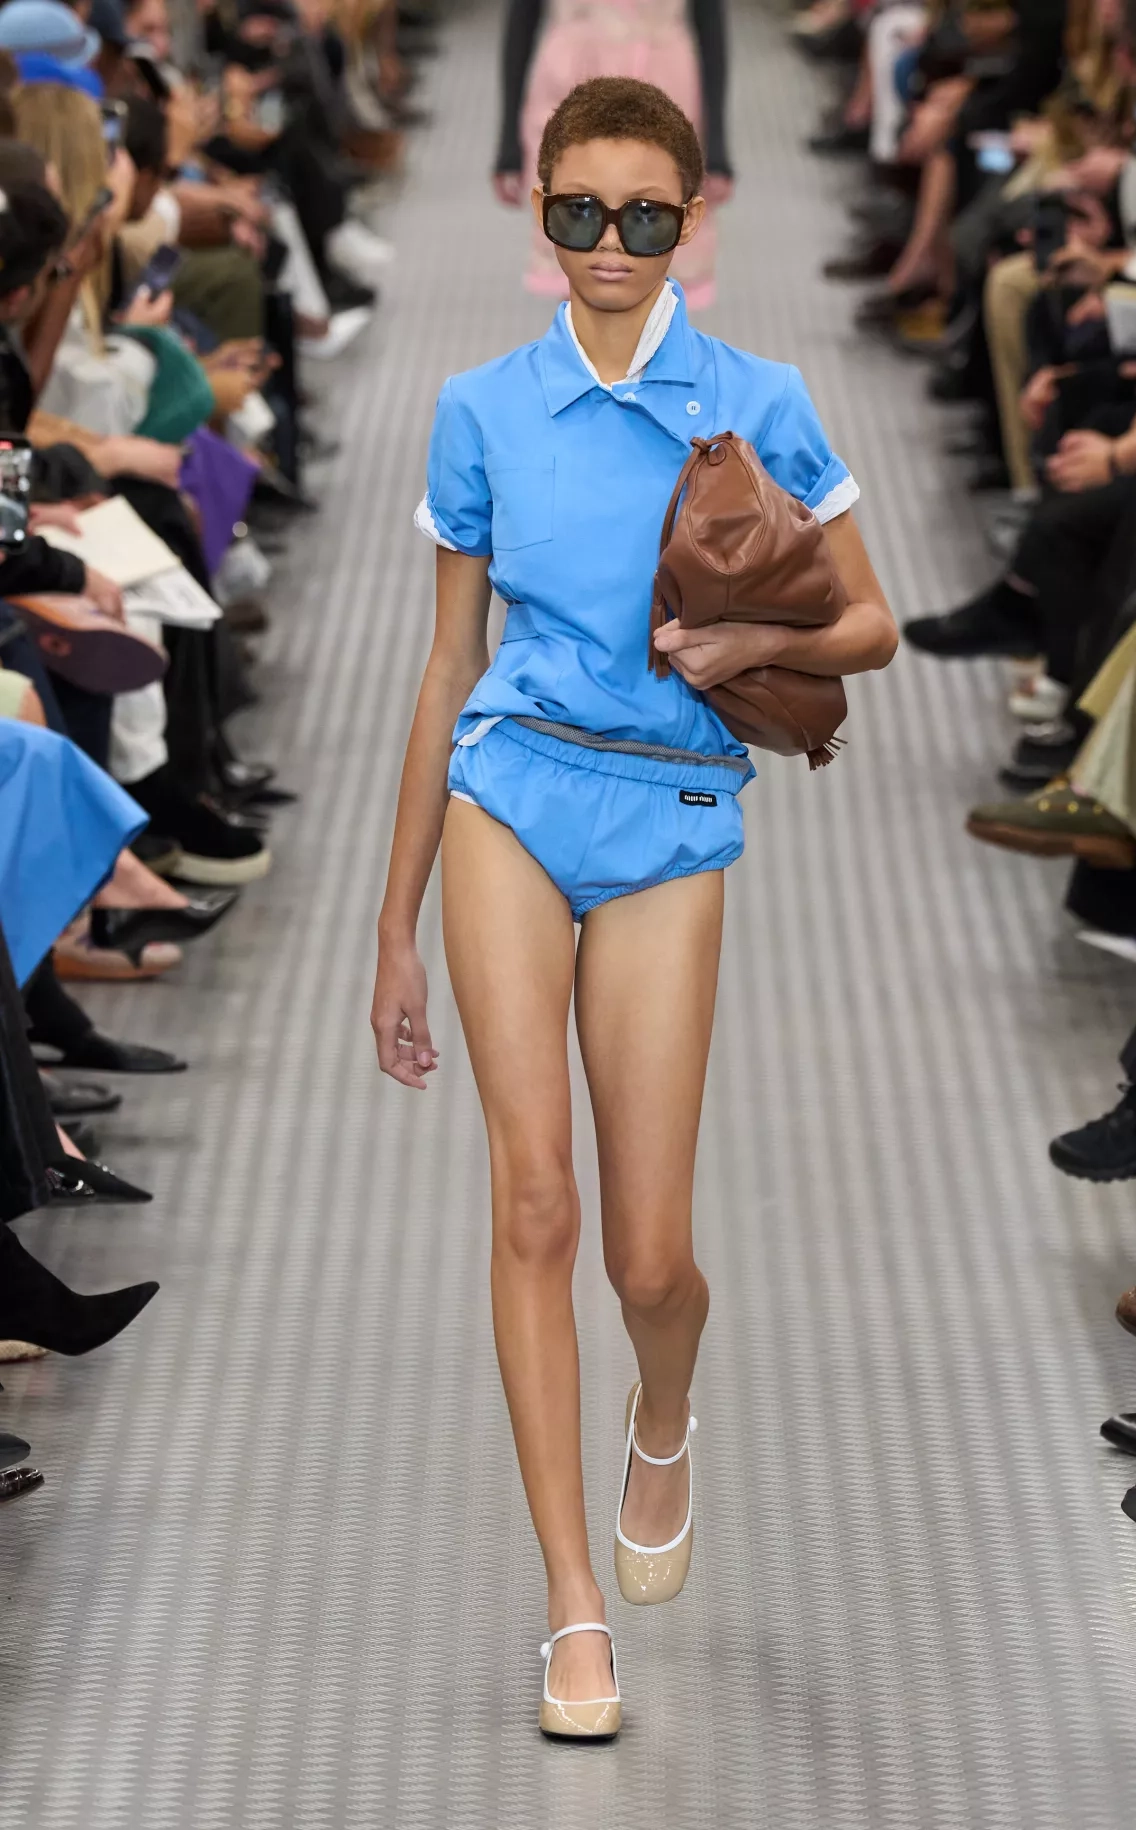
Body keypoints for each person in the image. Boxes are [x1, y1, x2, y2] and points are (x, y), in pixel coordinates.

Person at [372, 74, 895, 1739]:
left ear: (693, 217)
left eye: (645, 214)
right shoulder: (479, 409)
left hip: (672, 812)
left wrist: (753, 643)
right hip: (512, 796)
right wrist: (391, 927)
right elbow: (446, 668)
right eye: (579, 210)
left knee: (650, 1254)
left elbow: (873, 625)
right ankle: (571, 1607)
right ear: (537, 212)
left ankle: (662, 1408)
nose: (610, 242)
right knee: (534, 1201)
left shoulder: (756, 398)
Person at [494, 0, 733, 307]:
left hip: (664, 85)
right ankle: (584, 335)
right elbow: (522, 18)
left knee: (657, 235)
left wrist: (717, 146)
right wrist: (508, 144)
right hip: (571, 83)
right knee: (577, 230)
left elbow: (710, 22)